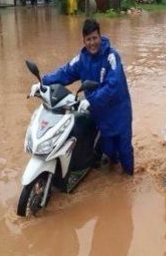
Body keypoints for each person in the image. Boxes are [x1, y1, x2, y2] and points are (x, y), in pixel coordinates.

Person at [31, 19, 134, 175]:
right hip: (98, 113)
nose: (92, 43)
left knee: (124, 151)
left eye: (95, 38)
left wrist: (90, 100)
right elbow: (64, 72)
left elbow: (113, 86)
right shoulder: (82, 59)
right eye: (88, 39)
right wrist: (42, 82)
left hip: (118, 112)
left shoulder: (112, 57)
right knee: (110, 151)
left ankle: (129, 181)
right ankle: (111, 163)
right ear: (83, 40)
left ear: (100, 36)